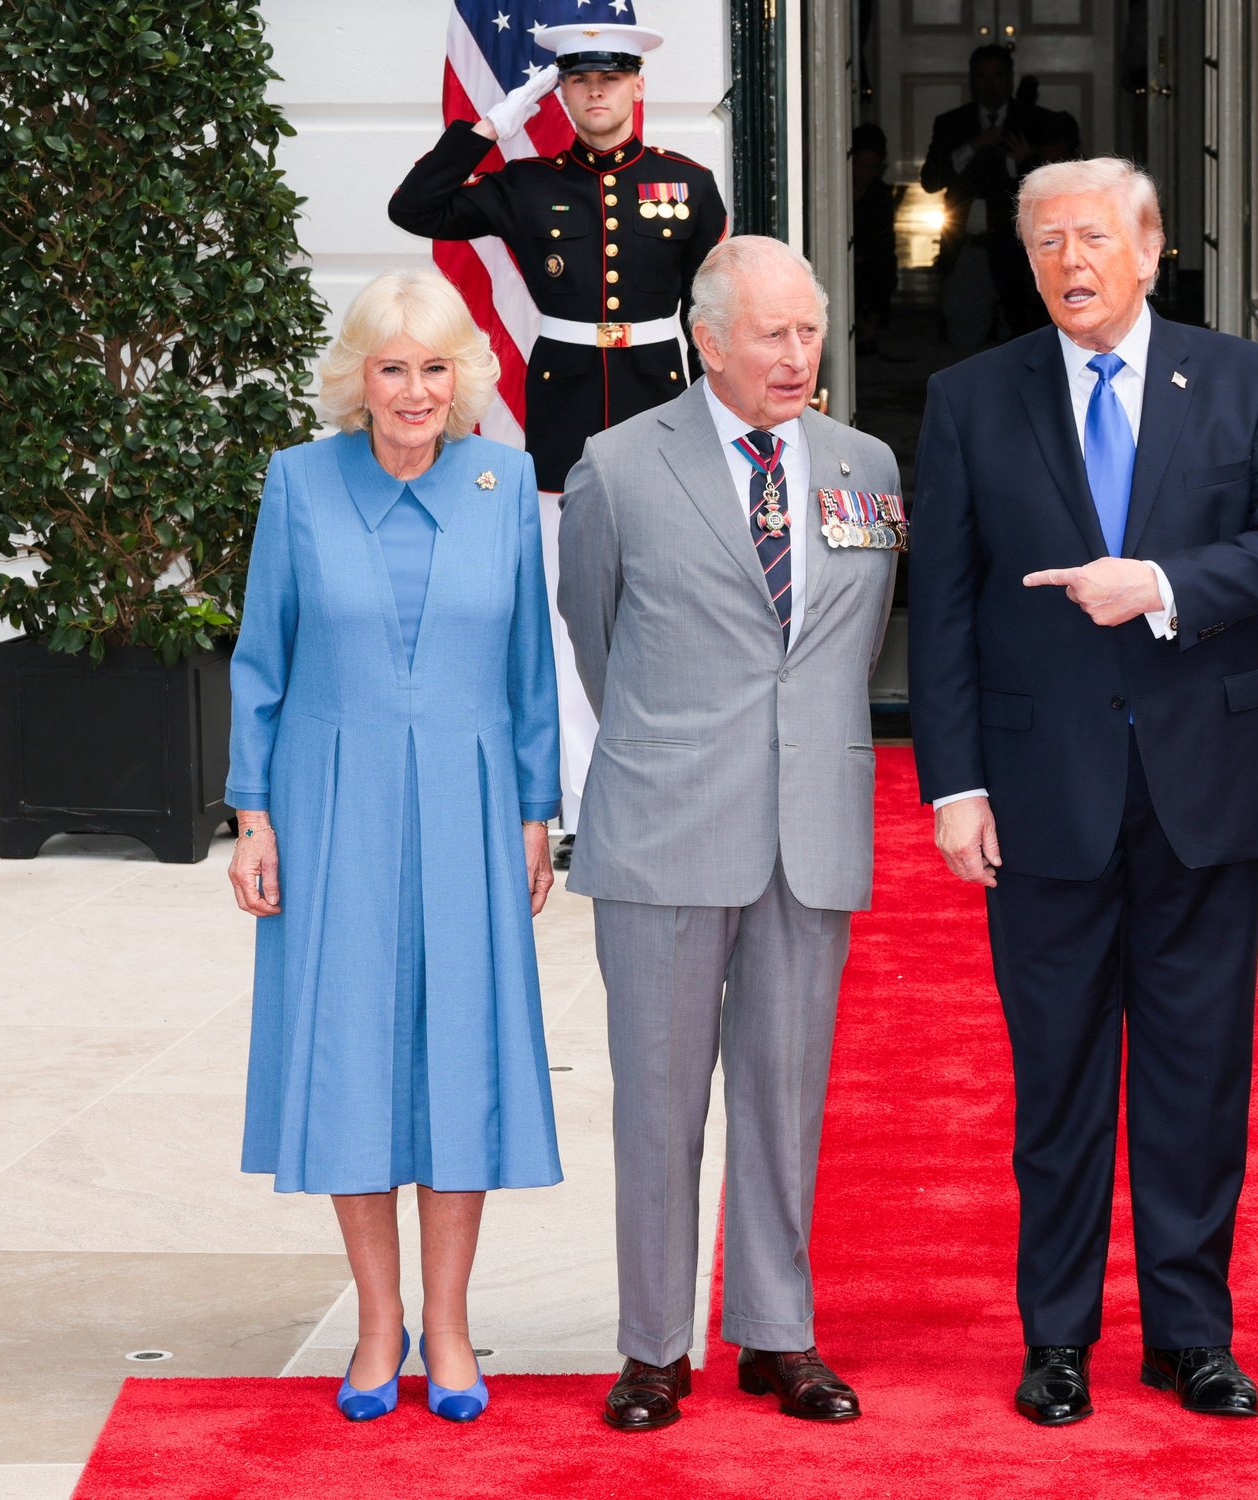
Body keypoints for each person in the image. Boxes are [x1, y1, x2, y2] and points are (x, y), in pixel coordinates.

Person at [908, 158, 1258, 1427]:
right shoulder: (970, 398)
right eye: (1044, 243)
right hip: (1039, 794)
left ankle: (1190, 1333)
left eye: (1091, 237)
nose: (1067, 263)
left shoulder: (1245, 380)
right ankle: (1057, 1341)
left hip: (1206, 782)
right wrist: (953, 787)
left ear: (1150, 249)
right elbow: (938, 613)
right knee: (1058, 1082)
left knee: (1198, 1075)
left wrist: (1159, 584)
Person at [556, 236, 901, 1433]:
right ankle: (653, 1346)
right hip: (663, 825)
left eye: (809, 331)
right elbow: (593, 637)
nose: (796, 355)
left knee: (784, 1092)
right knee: (657, 1099)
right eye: (771, 333)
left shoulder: (864, 465)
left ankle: (777, 1333)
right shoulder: (614, 467)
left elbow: (847, 646)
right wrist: (672, 748)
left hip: (810, 829)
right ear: (705, 338)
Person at [226, 269, 563, 1425]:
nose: (415, 391)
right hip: (331, 807)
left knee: (458, 1058)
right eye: (391, 367)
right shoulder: (297, 484)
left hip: (473, 809)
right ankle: (379, 1325)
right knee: (355, 1058)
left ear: (462, 378)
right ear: (355, 380)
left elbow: (530, 670)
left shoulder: (503, 477)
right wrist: (251, 815)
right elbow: (259, 660)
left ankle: (453, 1327)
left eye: (434, 368)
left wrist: (535, 813)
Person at [389, 0, 729, 869]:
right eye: (579, 80)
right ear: (563, 93)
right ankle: (582, 803)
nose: (596, 93)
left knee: (673, 609)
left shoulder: (687, 183)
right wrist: (492, 122)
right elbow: (415, 206)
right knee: (566, 611)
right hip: (565, 420)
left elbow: (716, 314)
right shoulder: (527, 183)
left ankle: (671, 788)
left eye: (610, 77)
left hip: (662, 411)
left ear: (636, 84)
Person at [920, 45, 1082, 349]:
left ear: (1010, 78)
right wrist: (974, 145)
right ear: (972, 80)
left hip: (1020, 248)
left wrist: (1024, 159)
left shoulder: (1036, 120)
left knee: (1027, 336)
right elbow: (931, 181)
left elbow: (1061, 178)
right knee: (964, 336)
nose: (990, 85)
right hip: (969, 244)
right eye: (982, 76)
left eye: (997, 76)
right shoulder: (952, 123)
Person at [850, 123, 899, 354]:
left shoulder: (880, 196)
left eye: (872, 167)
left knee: (883, 269)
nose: (864, 173)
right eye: (860, 165)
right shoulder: (834, 190)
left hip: (870, 261)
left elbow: (883, 240)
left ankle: (871, 324)